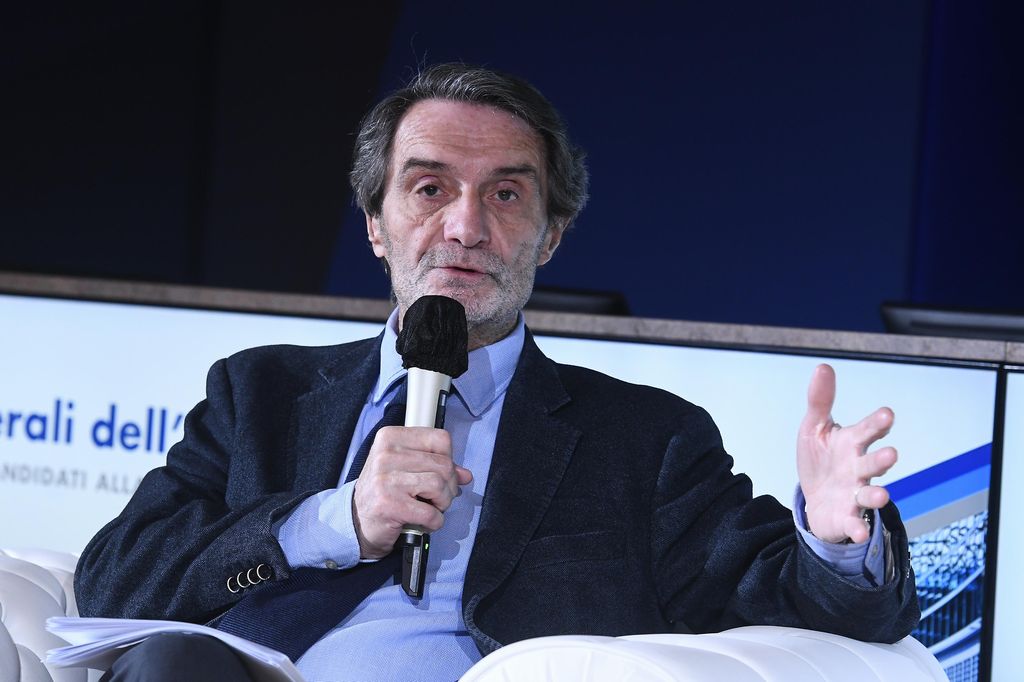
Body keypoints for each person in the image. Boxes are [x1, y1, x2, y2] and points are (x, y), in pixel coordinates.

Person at [74, 63, 919, 682]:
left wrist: (837, 540)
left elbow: (796, 603)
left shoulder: (644, 439)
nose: (466, 227)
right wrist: (334, 521)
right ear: (375, 224)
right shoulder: (260, 393)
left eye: (507, 195)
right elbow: (117, 578)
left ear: (551, 235)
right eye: (429, 189)